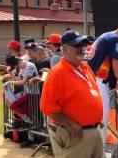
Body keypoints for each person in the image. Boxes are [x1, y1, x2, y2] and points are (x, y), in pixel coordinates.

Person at [40, 30, 103, 158]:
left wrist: (96, 117)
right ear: (64, 51)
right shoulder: (57, 73)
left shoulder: (85, 67)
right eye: (77, 46)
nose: (82, 49)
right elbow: (48, 107)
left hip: (92, 131)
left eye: (83, 45)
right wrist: (71, 124)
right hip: (74, 133)